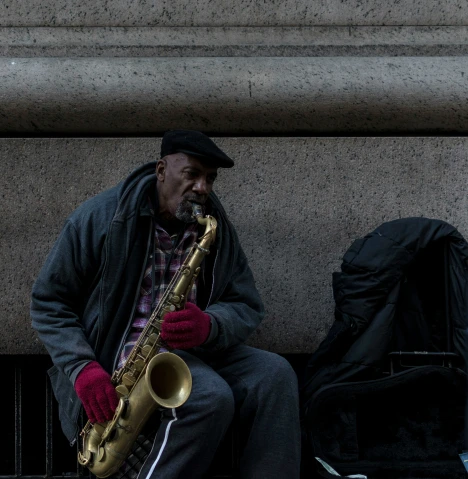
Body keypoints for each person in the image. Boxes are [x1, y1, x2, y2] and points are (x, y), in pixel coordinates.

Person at [30, 130, 300, 478]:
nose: (203, 188)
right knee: (208, 396)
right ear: (161, 170)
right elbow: (48, 301)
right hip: (119, 356)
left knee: (275, 375)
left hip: (194, 351)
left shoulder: (214, 226)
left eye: (210, 178)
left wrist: (210, 325)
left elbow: (246, 303)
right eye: (192, 174)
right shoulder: (101, 218)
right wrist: (82, 368)